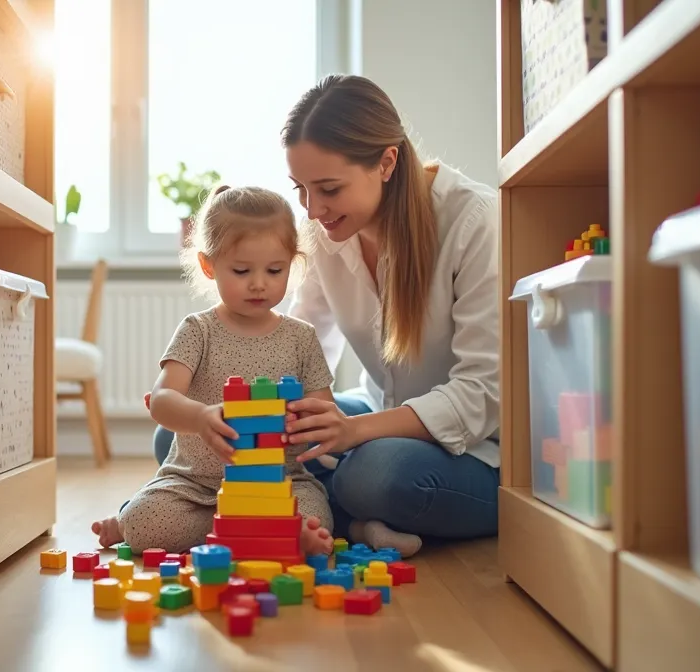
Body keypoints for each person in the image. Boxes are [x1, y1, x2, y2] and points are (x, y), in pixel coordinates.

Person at [151, 75, 501, 557]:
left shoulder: (474, 221)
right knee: (186, 437)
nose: (312, 210)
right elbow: (298, 342)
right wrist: (253, 415)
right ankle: (347, 525)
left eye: (328, 188)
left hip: (473, 447)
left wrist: (354, 431)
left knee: (376, 474)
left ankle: (297, 511)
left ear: (386, 162)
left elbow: (482, 393)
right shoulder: (331, 228)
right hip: (374, 416)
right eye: (300, 190)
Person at [93, 184, 337, 556]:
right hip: (196, 487)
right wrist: (203, 416)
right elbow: (161, 400)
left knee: (316, 513)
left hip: (279, 483)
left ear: (294, 262)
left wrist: (301, 421)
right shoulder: (198, 330)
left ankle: (256, 528)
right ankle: (244, 531)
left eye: (275, 270)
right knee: (144, 525)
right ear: (209, 266)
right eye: (241, 270)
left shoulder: (301, 337)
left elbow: (322, 413)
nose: (259, 283)